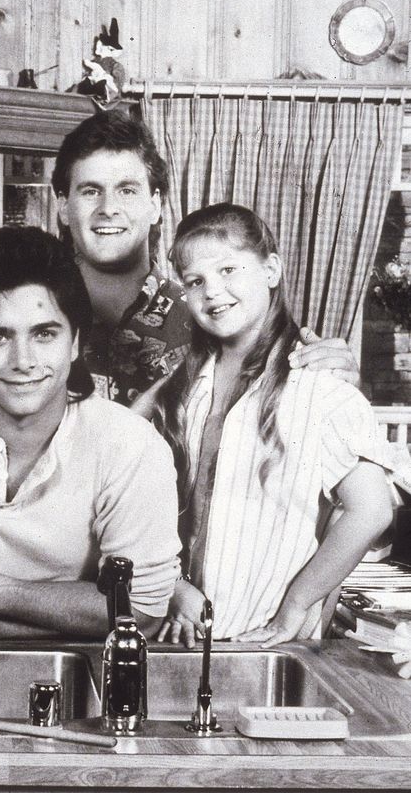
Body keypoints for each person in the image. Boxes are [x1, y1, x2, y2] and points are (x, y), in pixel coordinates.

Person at [0, 225, 181, 639]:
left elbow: (141, 613)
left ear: (75, 342)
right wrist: (77, 616)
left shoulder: (130, 444)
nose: (23, 361)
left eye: (43, 334)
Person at [150, 203, 394, 644]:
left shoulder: (319, 386)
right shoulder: (185, 389)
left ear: (271, 270)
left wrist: (299, 602)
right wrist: (173, 586)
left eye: (229, 269)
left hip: (267, 639)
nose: (213, 292)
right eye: (195, 281)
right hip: (184, 633)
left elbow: (372, 509)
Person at [51, 110, 360, 415]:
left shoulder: (214, 316)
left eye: (127, 190)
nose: (109, 208)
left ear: (156, 204)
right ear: (64, 207)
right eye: (91, 191)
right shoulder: (34, 317)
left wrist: (334, 375)